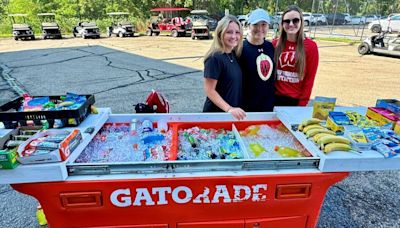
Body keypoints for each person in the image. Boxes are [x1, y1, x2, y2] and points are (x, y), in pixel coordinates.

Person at [272, 5, 319, 106]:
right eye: (287, 21)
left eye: (295, 20)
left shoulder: (311, 47)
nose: (291, 24)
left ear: (301, 22)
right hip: (273, 98)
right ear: (282, 24)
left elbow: (309, 79)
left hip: (295, 101)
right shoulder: (274, 44)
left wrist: (302, 104)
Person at [203, 15, 246, 120]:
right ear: (220, 33)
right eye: (229, 32)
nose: (234, 36)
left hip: (231, 115)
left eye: (237, 32)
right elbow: (209, 90)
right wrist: (229, 109)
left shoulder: (233, 55)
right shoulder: (214, 58)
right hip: (216, 116)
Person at [240, 8, 275, 112]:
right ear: (248, 26)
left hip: (268, 106)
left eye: (263, 24)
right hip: (246, 108)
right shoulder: (240, 48)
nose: (260, 28)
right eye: (255, 24)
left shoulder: (270, 47)